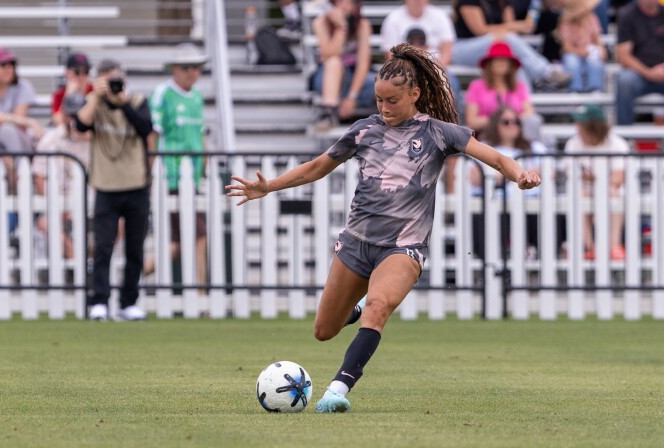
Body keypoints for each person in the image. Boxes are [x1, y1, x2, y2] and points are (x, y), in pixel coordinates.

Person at [226, 43, 541, 413]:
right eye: (378, 100)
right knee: (324, 330)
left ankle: (337, 390)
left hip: (403, 247)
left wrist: (520, 175)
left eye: (392, 101)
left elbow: (496, 156)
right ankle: (354, 312)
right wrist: (269, 186)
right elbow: (316, 167)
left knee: (378, 306)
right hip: (356, 243)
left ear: (415, 94)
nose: (384, 108)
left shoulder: (439, 133)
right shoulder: (363, 132)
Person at [75, 59, 153, 321]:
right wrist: (96, 97)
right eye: (106, 80)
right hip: (106, 187)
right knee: (103, 247)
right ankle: (99, 301)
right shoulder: (94, 103)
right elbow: (80, 125)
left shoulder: (137, 100)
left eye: (115, 80)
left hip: (136, 185)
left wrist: (121, 102)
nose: (112, 85)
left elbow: (145, 128)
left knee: (134, 248)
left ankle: (128, 302)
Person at [150, 43, 208, 292]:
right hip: (170, 176)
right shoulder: (163, 94)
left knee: (181, 242)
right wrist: (149, 170)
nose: (192, 72)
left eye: (196, 67)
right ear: (175, 68)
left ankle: (129, 280)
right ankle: (203, 293)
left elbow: (200, 136)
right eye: (187, 67)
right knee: (197, 236)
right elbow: (153, 134)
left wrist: (204, 164)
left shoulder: (197, 97)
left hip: (192, 178)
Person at [469, 106, 546, 259]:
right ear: (495, 124)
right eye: (506, 122)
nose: (512, 125)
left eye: (516, 121)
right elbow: (475, 176)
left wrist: (504, 174)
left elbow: (547, 169)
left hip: (531, 206)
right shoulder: (484, 147)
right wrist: (520, 174)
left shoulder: (535, 147)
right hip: (494, 207)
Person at [452, 0, 571, 91]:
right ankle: (545, 72)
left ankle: (525, 111)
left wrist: (520, 26)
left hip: (495, 47)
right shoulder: (468, 1)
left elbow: (509, 27)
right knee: (507, 38)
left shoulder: (501, 2)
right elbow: (480, 30)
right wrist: (517, 25)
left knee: (517, 66)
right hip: (464, 48)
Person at [563, 104, 629, 260]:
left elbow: (618, 179)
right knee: (579, 195)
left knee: (614, 194)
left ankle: (614, 246)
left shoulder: (617, 144)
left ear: (595, 126)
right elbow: (571, 175)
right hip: (585, 191)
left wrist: (594, 180)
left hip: (611, 191)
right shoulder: (573, 143)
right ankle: (589, 247)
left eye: (582, 124)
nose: (577, 128)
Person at [32, 93, 91, 259]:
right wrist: (55, 205)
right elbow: (39, 176)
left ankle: (85, 263)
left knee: (119, 224)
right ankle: (83, 266)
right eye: (70, 114)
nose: (73, 120)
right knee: (45, 224)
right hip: (56, 205)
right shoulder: (51, 139)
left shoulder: (97, 139)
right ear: (63, 113)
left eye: (78, 115)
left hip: (91, 205)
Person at [379, 0, 461, 110]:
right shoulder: (393, 19)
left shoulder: (440, 16)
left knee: (450, 87)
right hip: (403, 70)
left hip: (436, 69)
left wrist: (433, 71)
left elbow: (447, 53)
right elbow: (390, 56)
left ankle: (445, 122)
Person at [311, 0, 376, 129]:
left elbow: (363, 63)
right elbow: (328, 55)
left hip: (355, 80)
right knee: (334, 62)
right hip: (327, 79)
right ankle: (329, 112)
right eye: (339, 1)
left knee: (386, 82)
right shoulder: (320, 23)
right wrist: (341, 28)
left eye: (348, 2)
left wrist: (351, 97)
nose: (344, 6)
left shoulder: (362, 25)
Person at [465, 42, 542, 141]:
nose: (501, 62)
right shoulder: (476, 86)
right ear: (490, 63)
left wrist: (510, 121)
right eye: (497, 59)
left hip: (515, 136)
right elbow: (471, 121)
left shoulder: (520, 86)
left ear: (510, 64)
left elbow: (529, 112)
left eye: (505, 60)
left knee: (533, 121)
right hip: (488, 136)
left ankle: (529, 152)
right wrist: (498, 120)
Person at [0, 47, 43, 192]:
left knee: (7, 130)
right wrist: (30, 122)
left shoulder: (23, 87)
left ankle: (18, 176)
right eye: (2, 65)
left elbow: (14, 120)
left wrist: (9, 120)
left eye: (11, 64)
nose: (8, 69)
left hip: (18, 144)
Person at [615, 0, 664, 125]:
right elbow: (623, 56)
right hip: (639, 73)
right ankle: (624, 135)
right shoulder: (627, 15)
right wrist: (649, 73)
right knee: (624, 81)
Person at [557, 0, 606, 93]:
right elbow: (566, 46)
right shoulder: (566, 22)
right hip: (573, 52)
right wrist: (581, 52)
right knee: (571, 61)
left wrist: (601, 49)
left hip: (588, 51)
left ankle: (595, 89)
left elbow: (596, 39)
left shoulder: (592, 18)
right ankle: (575, 89)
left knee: (596, 60)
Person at [51, 53, 94, 126]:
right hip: (69, 133)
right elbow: (59, 122)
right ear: (67, 73)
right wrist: (68, 96)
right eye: (77, 72)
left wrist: (83, 94)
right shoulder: (60, 95)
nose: (81, 76)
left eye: (86, 72)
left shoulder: (94, 91)